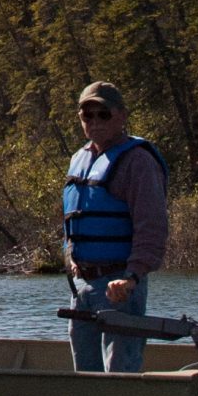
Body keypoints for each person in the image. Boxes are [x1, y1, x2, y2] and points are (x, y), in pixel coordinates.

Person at [62, 80, 169, 374]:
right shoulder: (79, 159)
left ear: (121, 116)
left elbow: (152, 226)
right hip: (81, 285)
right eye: (88, 115)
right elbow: (72, 221)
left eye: (103, 114)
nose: (95, 122)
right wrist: (70, 258)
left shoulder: (138, 161)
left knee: (121, 370)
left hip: (119, 284)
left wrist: (132, 276)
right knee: (86, 372)